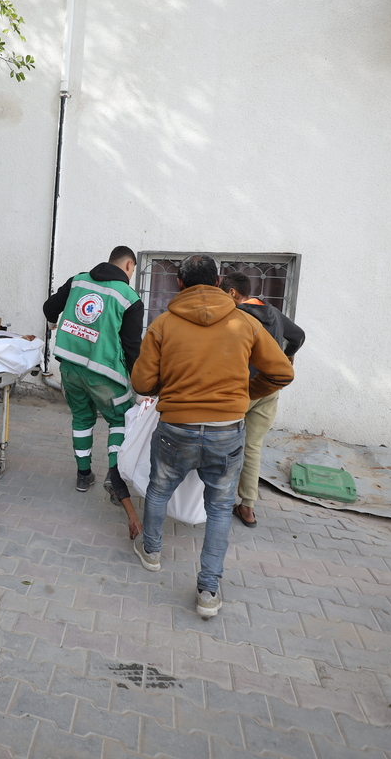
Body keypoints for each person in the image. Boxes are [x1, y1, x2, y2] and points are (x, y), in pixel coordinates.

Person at [130, 255, 294, 618]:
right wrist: (247, 392)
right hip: (226, 432)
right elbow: (282, 372)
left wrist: (170, 385)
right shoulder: (243, 322)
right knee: (220, 508)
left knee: (159, 488)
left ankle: (152, 552)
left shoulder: (163, 324)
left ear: (179, 284)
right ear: (219, 281)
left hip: (176, 428)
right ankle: (208, 591)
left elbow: (142, 383)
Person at [42, 247, 146, 534]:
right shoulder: (129, 298)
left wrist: (53, 322)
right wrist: (141, 383)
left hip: (70, 368)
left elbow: (49, 308)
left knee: (82, 418)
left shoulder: (78, 281)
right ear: (128, 265)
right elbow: (132, 346)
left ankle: (83, 475)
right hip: (105, 375)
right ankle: (115, 481)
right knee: (119, 420)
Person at [219, 272, 305, 527]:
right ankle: (247, 507)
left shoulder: (235, 317)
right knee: (252, 447)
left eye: (224, 295)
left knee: (221, 443)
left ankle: (216, 499)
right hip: (268, 390)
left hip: (241, 390)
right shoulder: (273, 312)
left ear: (232, 293)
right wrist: (287, 356)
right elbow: (298, 335)